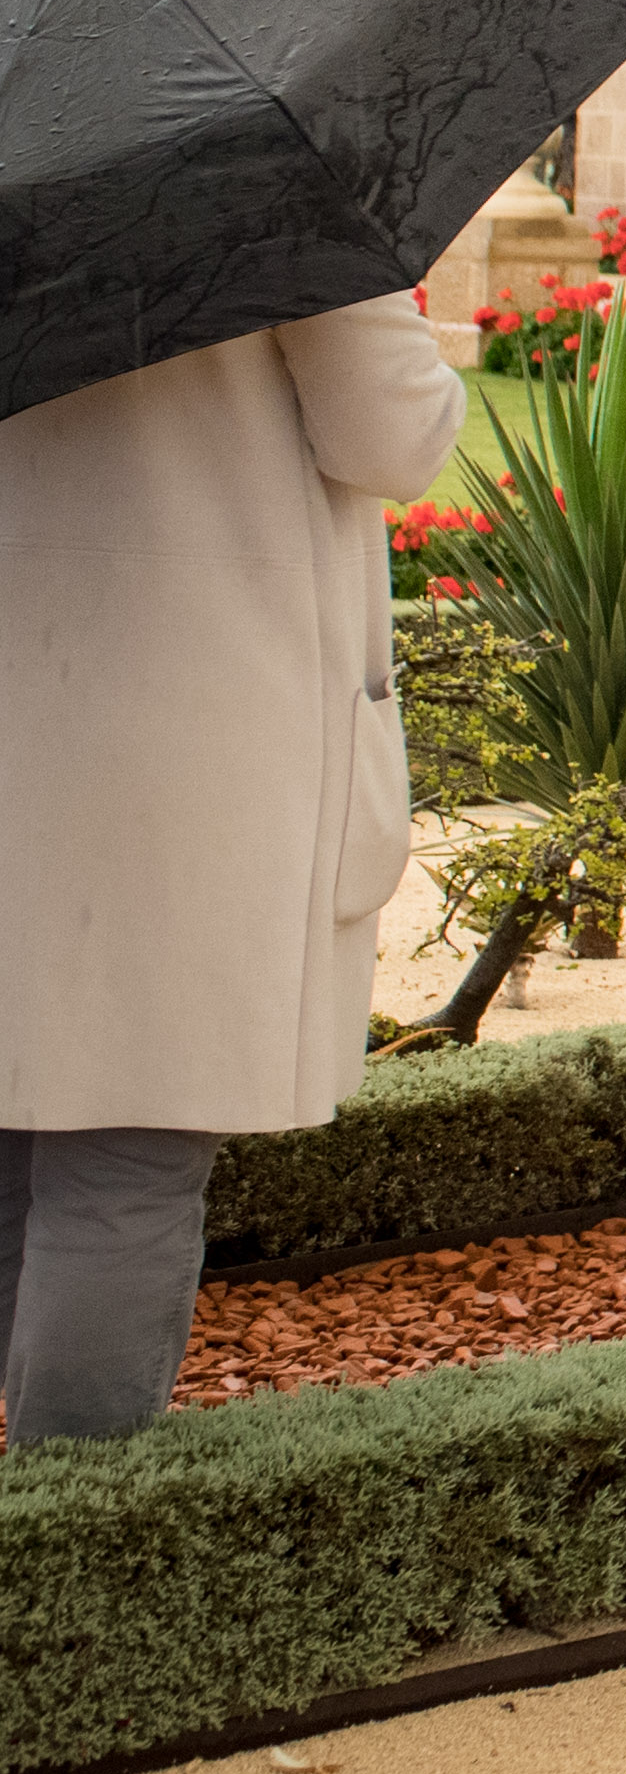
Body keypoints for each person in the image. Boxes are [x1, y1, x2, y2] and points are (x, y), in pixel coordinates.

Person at [0, 296, 466, 1442]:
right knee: (128, 1148)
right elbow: (393, 433)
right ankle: (70, 1565)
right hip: (178, 718)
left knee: (19, 1133)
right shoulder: (243, 171)